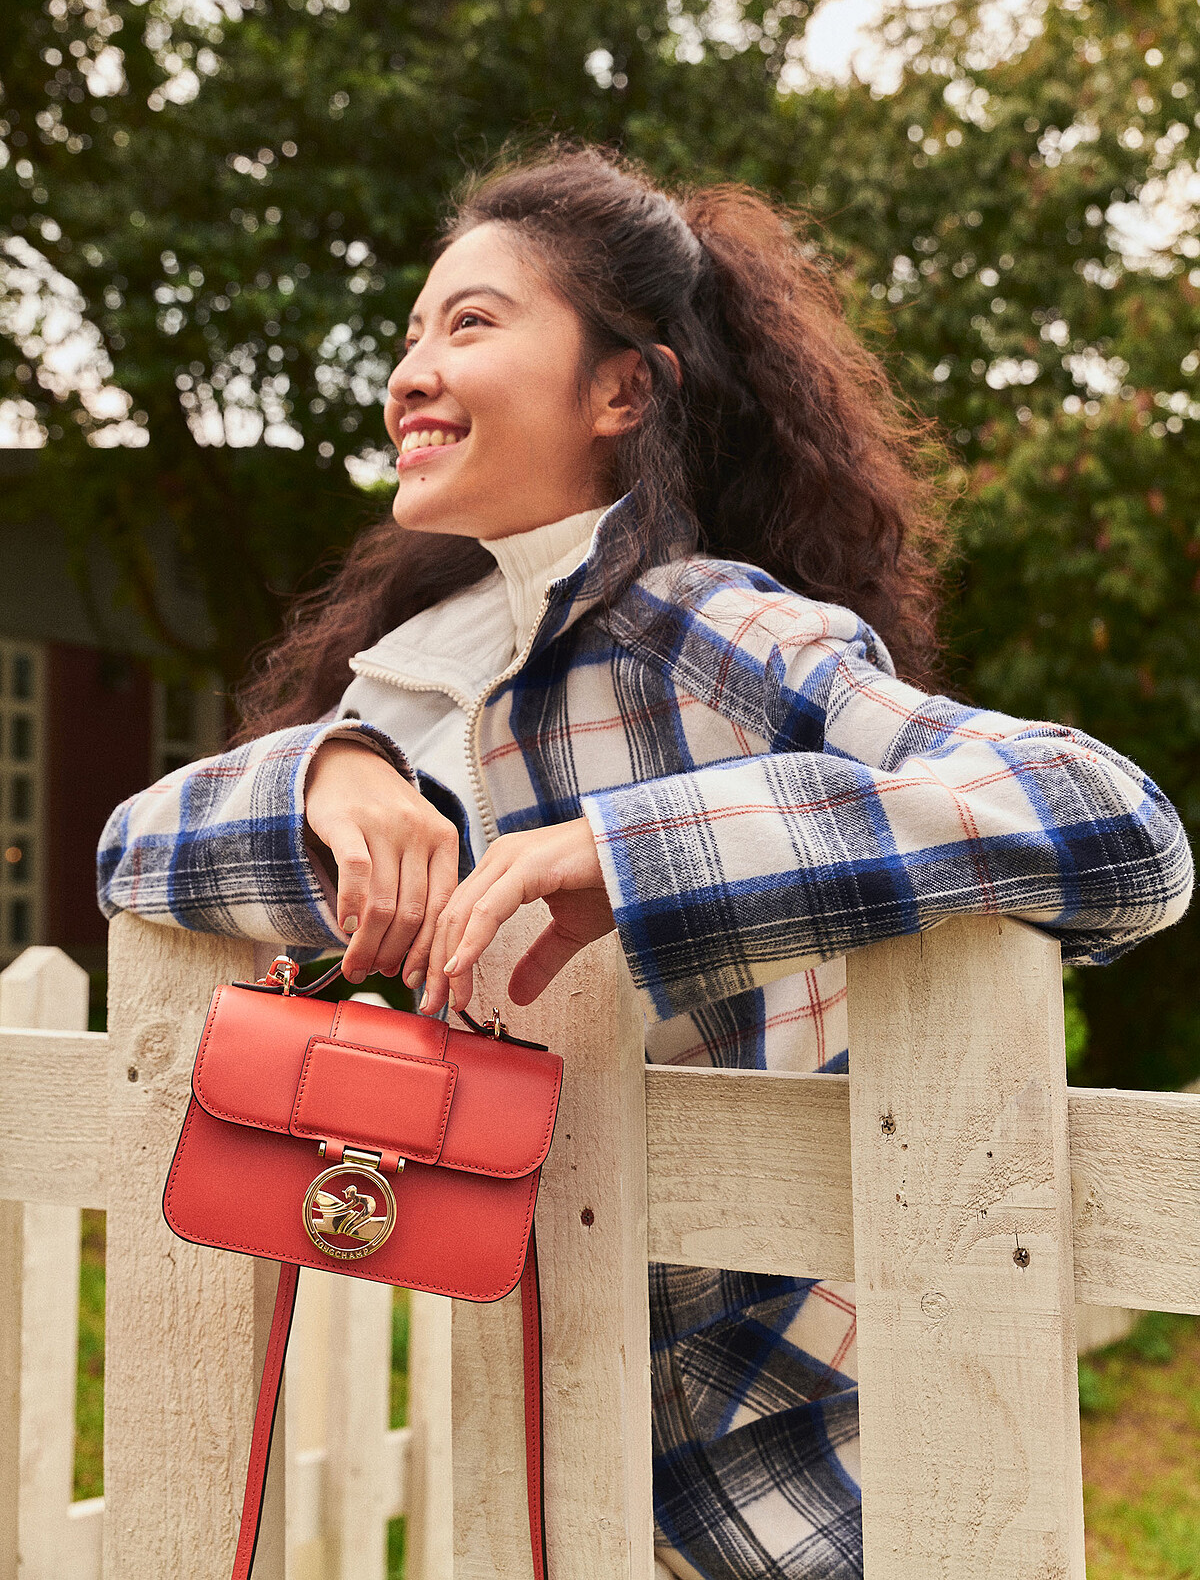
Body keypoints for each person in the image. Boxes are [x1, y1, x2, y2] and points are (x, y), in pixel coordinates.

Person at [98, 144, 1192, 1580]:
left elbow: (1116, 823)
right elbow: (135, 850)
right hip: (535, 1452)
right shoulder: (423, 682)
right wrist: (330, 775)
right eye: (413, 333)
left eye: (471, 324)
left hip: (800, 1467)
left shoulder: (710, 635)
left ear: (622, 390)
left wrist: (639, 856)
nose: (411, 371)